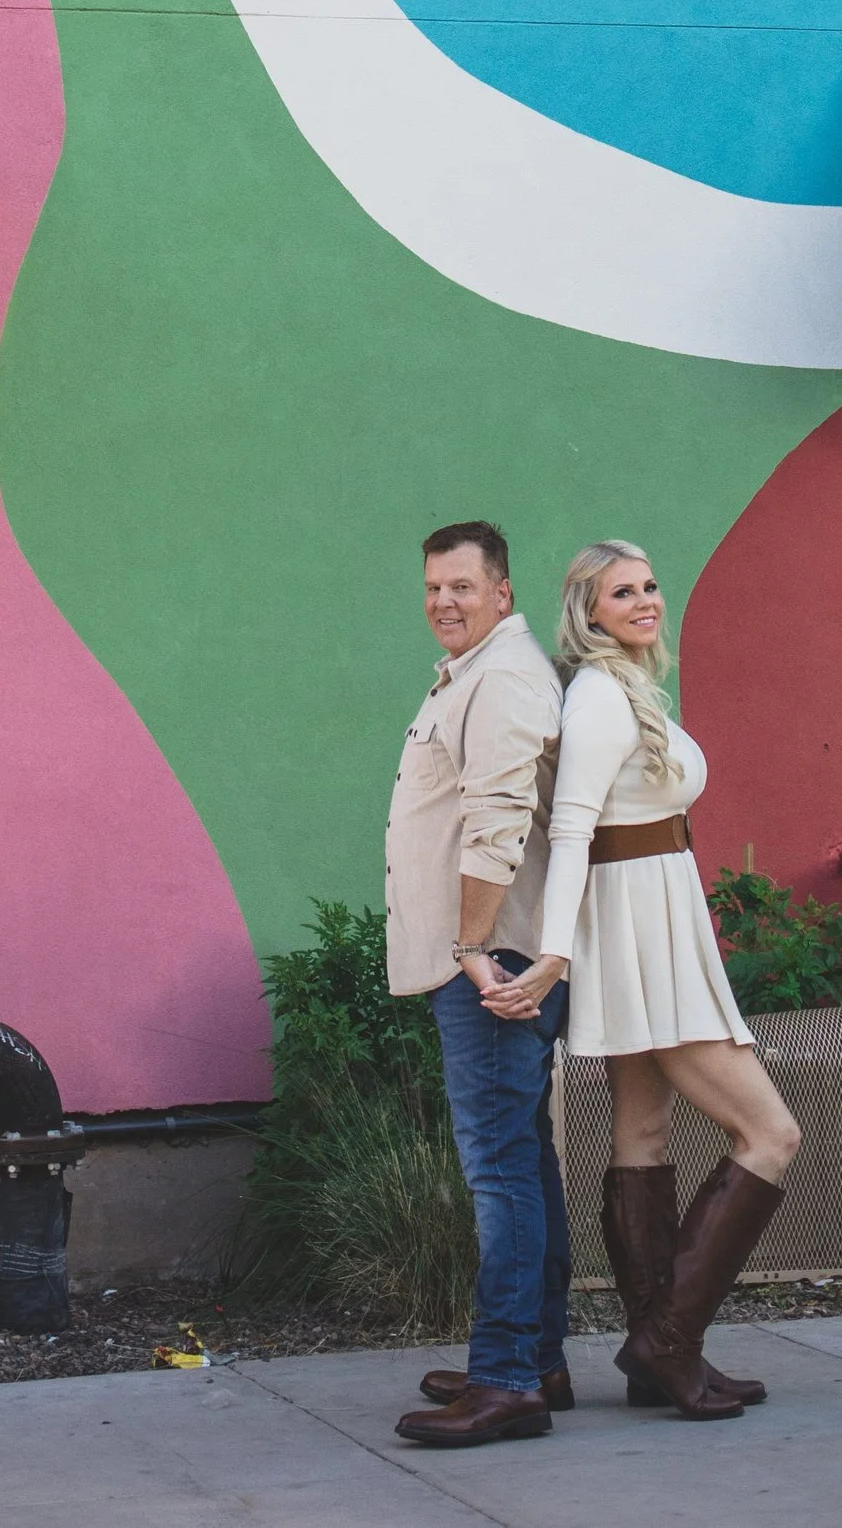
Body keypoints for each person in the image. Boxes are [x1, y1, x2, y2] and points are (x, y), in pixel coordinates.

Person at [488, 539, 799, 1420]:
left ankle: (658, 1355)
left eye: (650, 585)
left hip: (651, 923)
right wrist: (554, 956)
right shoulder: (597, 698)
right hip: (635, 936)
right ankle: (668, 1339)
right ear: (588, 612)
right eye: (622, 592)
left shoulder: (626, 687)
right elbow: (574, 831)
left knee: (644, 1131)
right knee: (771, 1133)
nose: (644, 601)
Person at [382, 519, 569, 1448]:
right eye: (432, 588)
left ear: (502, 590)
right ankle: (536, 1358)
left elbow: (497, 820)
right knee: (523, 1160)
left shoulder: (499, 680)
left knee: (500, 1171)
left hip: (490, 964)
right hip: (492, 956)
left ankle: (506, 1381)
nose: (444, 602)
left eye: (462, 586)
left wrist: (470, 946)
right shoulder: (478, 673)